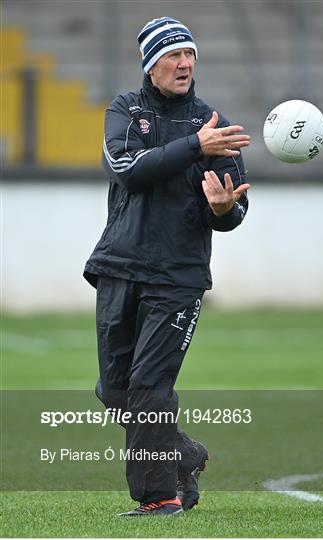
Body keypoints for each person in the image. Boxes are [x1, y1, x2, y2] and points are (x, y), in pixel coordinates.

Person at [84, 16, 251, 517]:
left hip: (178, 278)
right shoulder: (124, 110)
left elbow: (234, 208)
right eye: (172, 56)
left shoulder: (212, 124)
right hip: (120, 265)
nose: (183, 64)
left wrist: (223, 210)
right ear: (151, 64)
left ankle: (160, 497)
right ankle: (184, 455)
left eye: (189, 55)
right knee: (115, 391)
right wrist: (195, 147)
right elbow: (130, 172)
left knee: (148, 388)